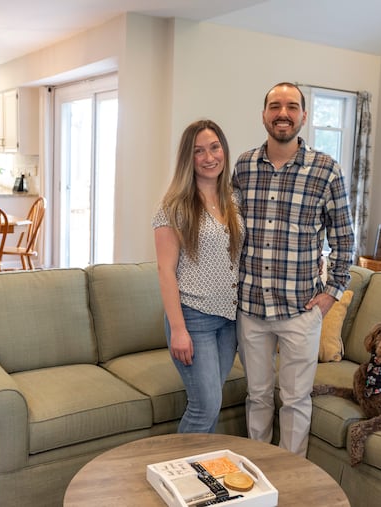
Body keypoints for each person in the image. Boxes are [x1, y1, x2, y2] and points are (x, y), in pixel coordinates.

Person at [233, 82, 355, 456]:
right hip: (251, 309)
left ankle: (290, 480)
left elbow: (344, 240)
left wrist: (331, 294)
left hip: (300, 311)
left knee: (296, 400)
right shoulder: (243, 165)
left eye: (291, 106)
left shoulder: (326, 170)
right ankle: (254, 476)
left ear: (304, 115)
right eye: (274, 106)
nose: (282, 113)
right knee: (257, 396)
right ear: (264, 114)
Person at [152, 119, 245, 433]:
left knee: (213, 405)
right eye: (198, 151)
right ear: (187, 159)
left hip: (229, 320)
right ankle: (176, 475)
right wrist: (178, 329)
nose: (209, 157)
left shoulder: (233, 202)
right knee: (204, 407)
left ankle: (200, 473)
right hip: (194, 319)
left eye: (214, 147)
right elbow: (165, 271)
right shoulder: (173, 208)